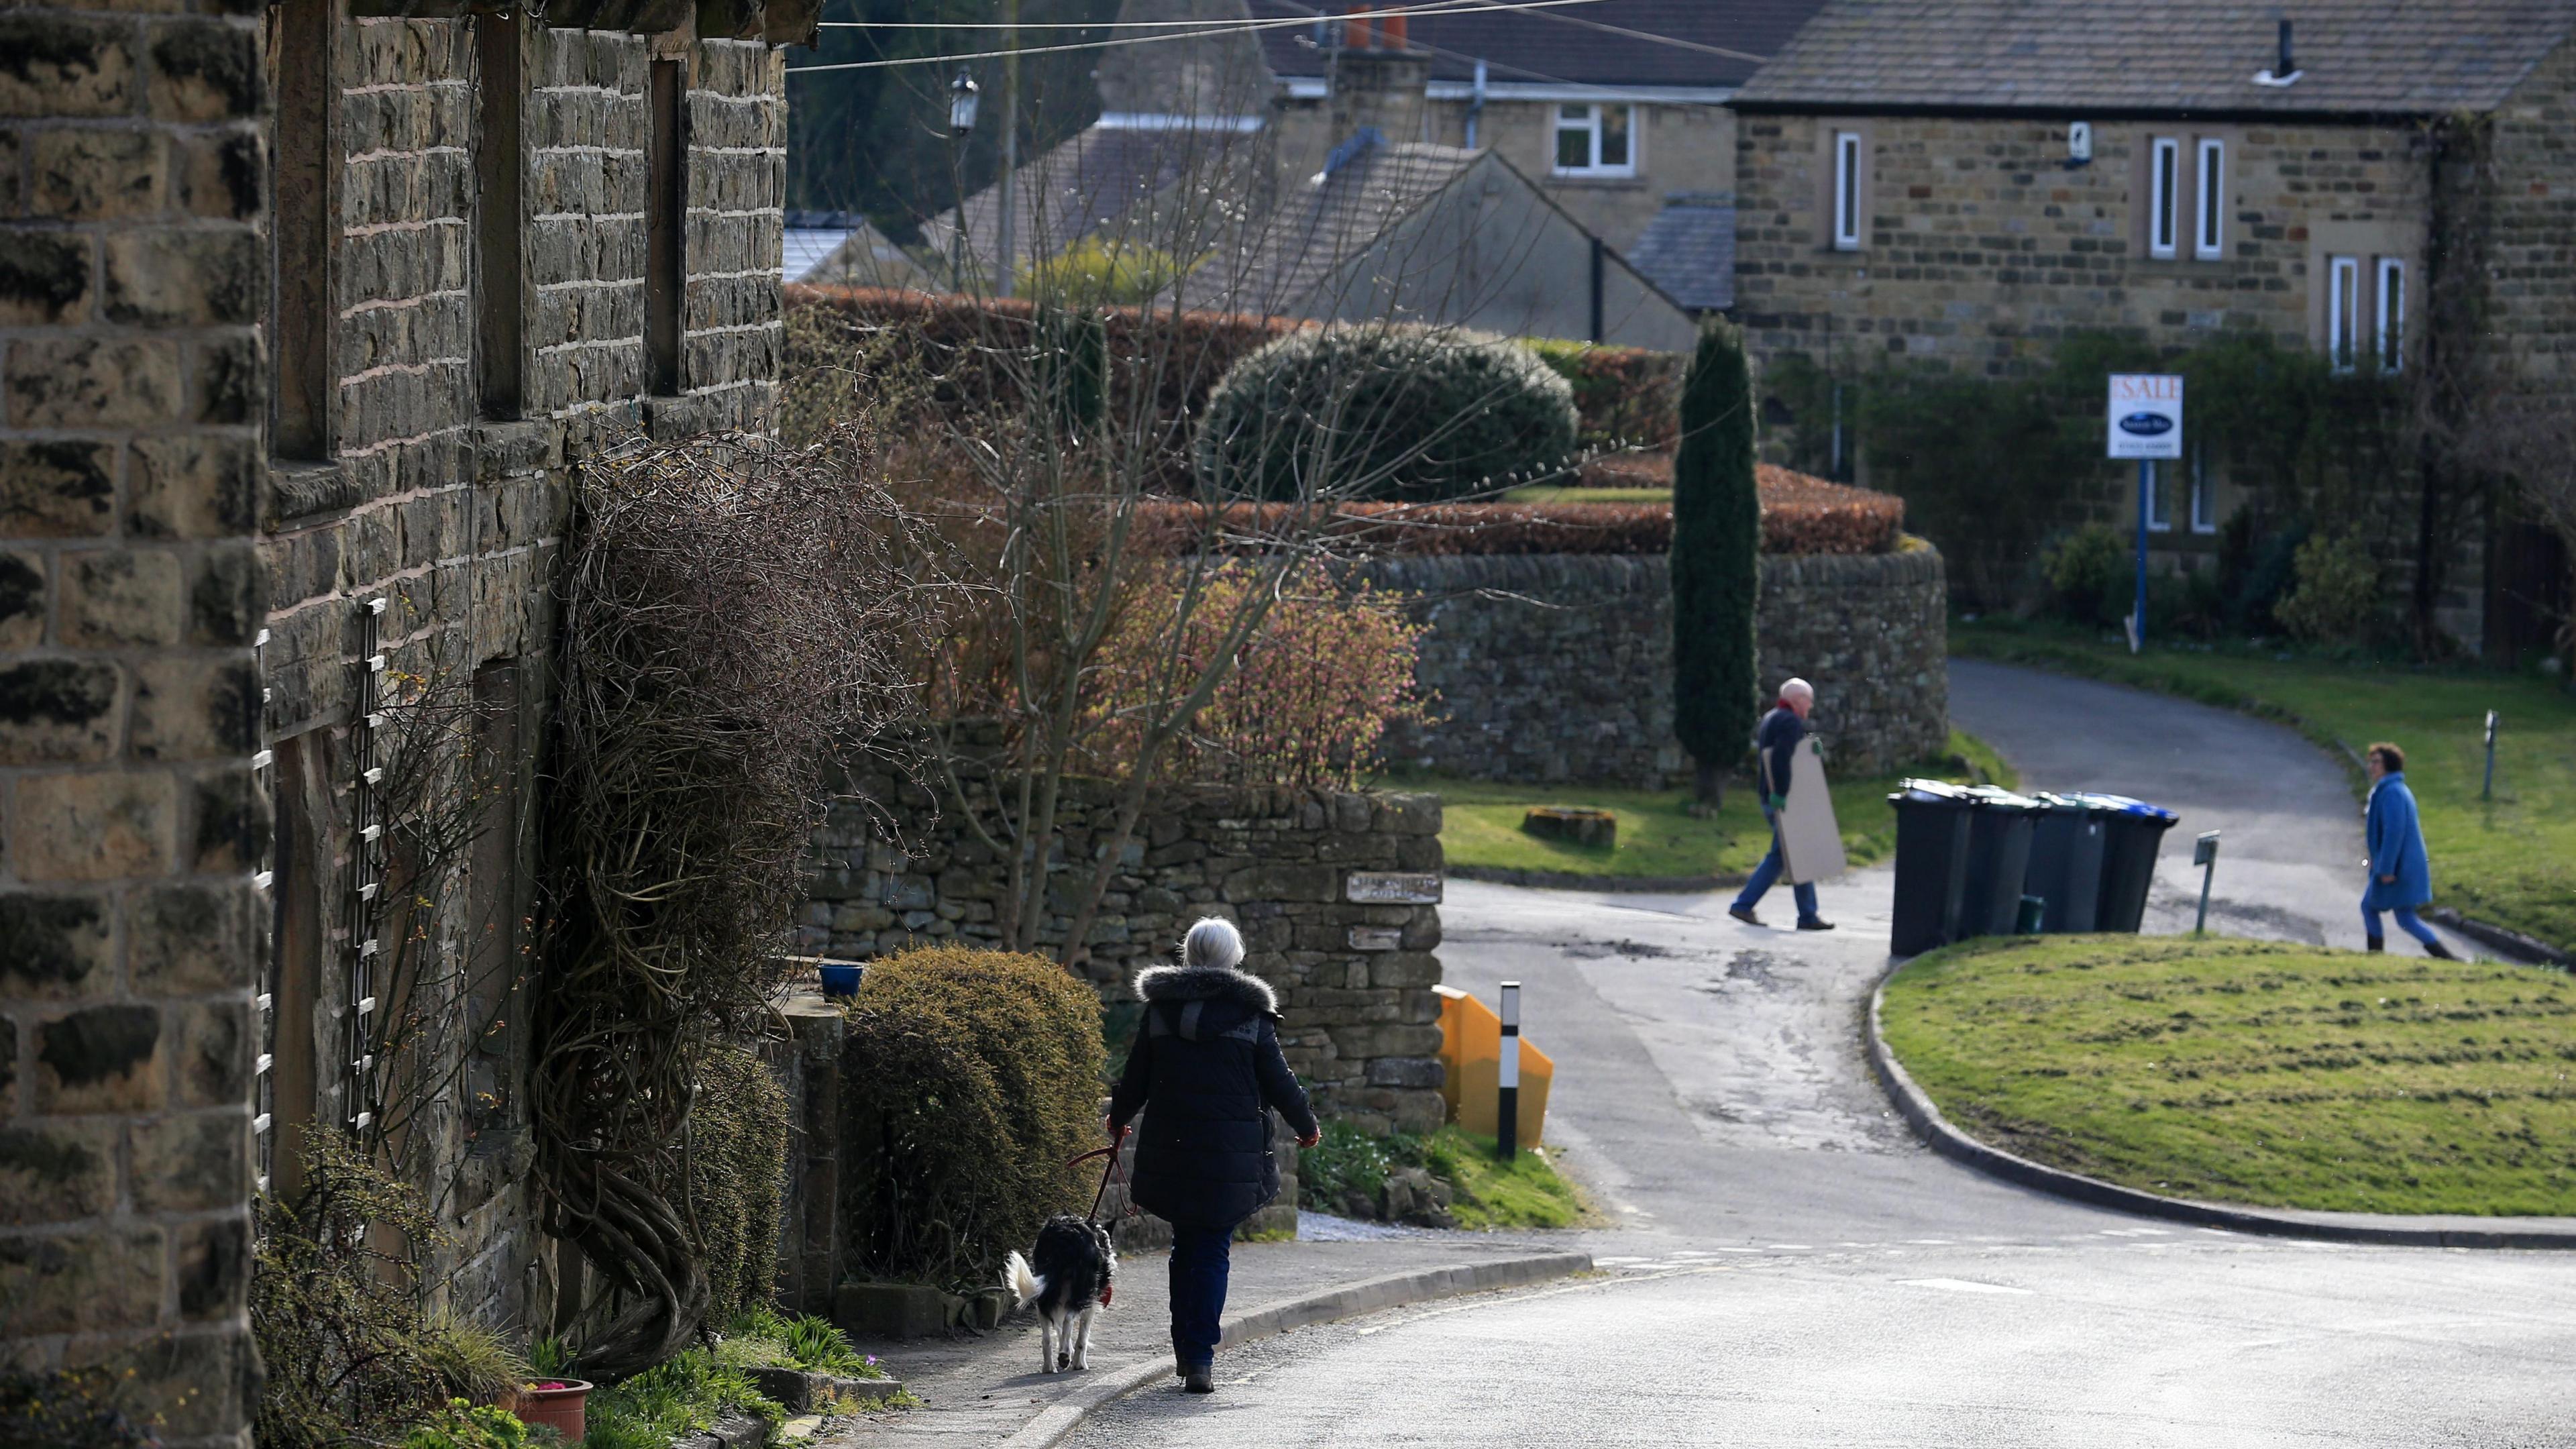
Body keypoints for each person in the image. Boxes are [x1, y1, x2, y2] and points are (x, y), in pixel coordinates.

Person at [1108, 918, 1321, 1395]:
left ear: (1189, 954)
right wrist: (1307, 1126)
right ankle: (1200, 1355)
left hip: (1173, 1151)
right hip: (1230, 1159)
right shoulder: (1251, 1016)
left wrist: (1118, 1119)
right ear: (1233, 958)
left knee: (1186, 1247)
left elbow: (1136, 1075)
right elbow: (1280, 1082)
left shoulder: (1161, 1013)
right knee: (1210, 1250)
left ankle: (1187, 1350)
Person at [1729, 678, 1835, 931]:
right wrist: (1783, 794)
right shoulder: (1789, 721)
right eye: (1808, 701)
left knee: (1795, 854)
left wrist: (1810, 745)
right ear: (1798, 700)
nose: (1810, 707)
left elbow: (1791, 748)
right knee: (1784, 855)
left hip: (1770, 796)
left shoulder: (1774, 717)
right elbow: (1781, 757)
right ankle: (1744, 905)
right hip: (1783, 800)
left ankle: (1807, 915)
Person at [2362, 741, 2455, 959]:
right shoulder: (2391, 789)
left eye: (2376, 762)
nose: (2371, 766)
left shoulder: (2392, 792)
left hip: (2396, 868)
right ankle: (2446, 957)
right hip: (2401, 866)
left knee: (2371, 907)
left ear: (2389, 765)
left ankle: (2375, 956)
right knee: (2405, 917)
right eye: (2371, 762)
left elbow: (2394, 832)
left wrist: (2385, 868)